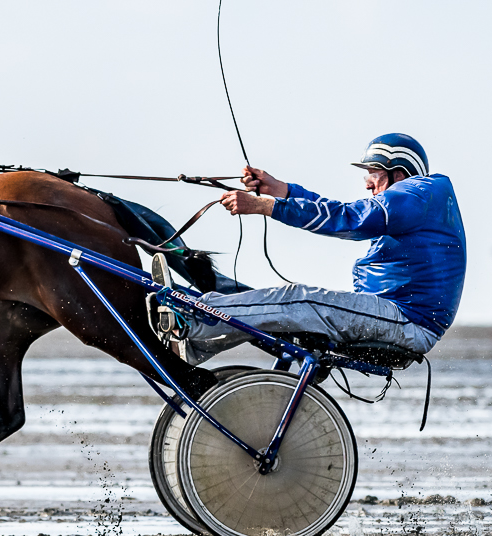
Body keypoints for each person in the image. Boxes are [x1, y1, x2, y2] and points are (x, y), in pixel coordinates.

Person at [183, 132, 465, 364]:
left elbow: (349, 219)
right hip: (397, 315)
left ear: (399, 174)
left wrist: (263, 206)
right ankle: (192, 345)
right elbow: (339, 211)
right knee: (287, 307)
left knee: (299, 299)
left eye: (373, 172)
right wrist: (281, 190)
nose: (367, 182)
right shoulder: (418, 201)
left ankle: (191, 316)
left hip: (406, 320)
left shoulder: (417, 194)